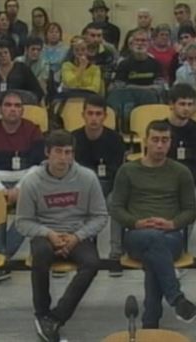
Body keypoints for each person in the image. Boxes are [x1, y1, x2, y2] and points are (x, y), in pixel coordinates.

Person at [16, 130, 108, 342]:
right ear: (47, 153)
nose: (64, 158)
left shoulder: (87, 177)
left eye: (68, 152)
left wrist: (76, 237)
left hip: (77, 234)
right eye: (58, 152)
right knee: (40, 255)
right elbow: (22, 221)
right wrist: (48, 233)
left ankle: (56, 318)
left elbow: (100, 216)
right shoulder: (32, 181)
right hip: (45, 234)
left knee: (92, 263)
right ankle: (41, 312)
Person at [111, 120, 196, 328]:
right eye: (155, 140)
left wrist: (172, 223)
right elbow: (116, 208)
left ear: (171, 143)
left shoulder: (181, 172)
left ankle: (151, 321)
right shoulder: (128, 171)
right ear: (145, 141)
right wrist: (136, 222)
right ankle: (176, 299)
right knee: (153, 241)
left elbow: (190, 210)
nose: (160, 145)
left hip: (170, 235)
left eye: (165, 140)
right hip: (137, 234)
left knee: (154, 254)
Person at [0, 90, 45, 282]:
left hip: (27, 182)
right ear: (0, 109)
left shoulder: (33, 130)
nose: (13, 109)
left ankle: (2, 258)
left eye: (17, 106)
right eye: (8, 105)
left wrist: (18, 189)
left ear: (23, 110)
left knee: (29, 213)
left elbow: (37, 165)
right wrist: (0, 190)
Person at [71, 95, 125, 275]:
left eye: (98, 114)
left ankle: (116, 255)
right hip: (81, 187)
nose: (94, 118)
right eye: (90, 113)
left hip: (108, 184)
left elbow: (117, 171)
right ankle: (81, 253)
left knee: (116, 202)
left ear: (105, 117)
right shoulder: (73, 139)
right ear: (83, 115)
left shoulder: (115, 139)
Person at [164, 84, 196, 196]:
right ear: (171, 104)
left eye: (190, 104)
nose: (186, 108)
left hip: (189, 184)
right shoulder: (160, 129)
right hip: (163, 182)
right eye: (182, 104)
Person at [83, 22, 119, 91]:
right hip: (83, 83)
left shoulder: (110, 50)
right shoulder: (77, 49)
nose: (96, 39)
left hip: (105, 83)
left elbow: (117, 68)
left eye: (99, 36)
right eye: (92, 36)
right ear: (85, 36)